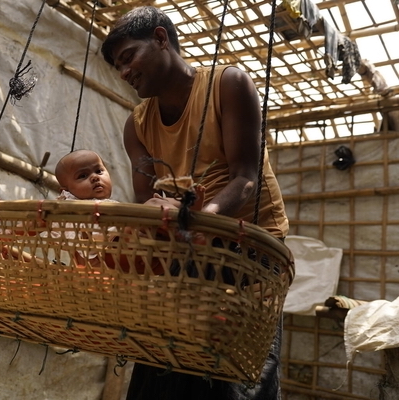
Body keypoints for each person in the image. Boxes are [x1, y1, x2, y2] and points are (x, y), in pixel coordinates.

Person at [101, 6, 289, 400]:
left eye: (128, 57)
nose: (124, 73)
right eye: (118, 66)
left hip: (247, 255)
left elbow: (246, 178)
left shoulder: (227, 84)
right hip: (185, 254)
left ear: (161, 38)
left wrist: (204, 218)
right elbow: (146, 199)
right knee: (161, 373)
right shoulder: (136, 124)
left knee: (232, 379)